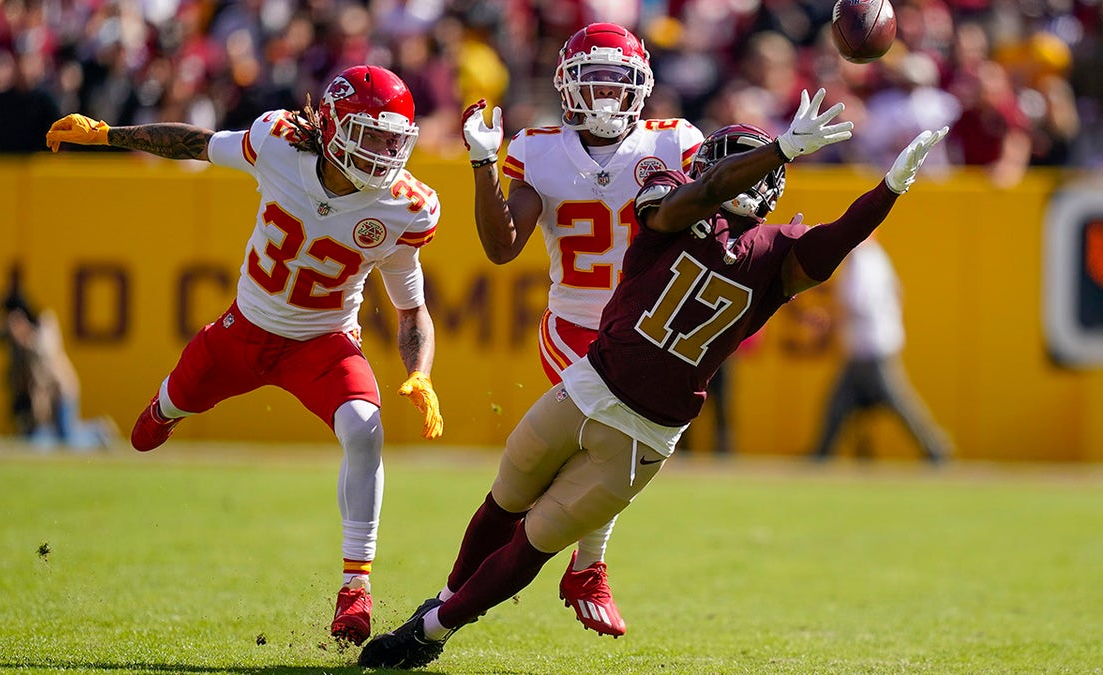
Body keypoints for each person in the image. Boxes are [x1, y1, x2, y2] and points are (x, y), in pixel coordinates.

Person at [358, 90, 948, 669]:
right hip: (588, 386)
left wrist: (889, 190)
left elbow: (842, 233)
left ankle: (430, 631)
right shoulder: (668, 204)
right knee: (503, 502)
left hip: (644, 434)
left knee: (532, 543)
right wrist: (783, 152)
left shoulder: (778, 255)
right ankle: (440, 604)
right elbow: (710, 192)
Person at [45, 65, 446, 647]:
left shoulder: (405, 206)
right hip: (241, 333)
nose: (387, 152)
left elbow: (411, 310)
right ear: (333, 128)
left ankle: (355, 587)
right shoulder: (277, 144)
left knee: (366, 429)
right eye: (372, 134)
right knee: (156, 420)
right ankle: (167, 411)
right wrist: (111, 135)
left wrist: (421, 373)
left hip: (324, 343)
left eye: (395, 139)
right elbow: (196, 144)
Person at [459, 21, 705, 637]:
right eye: (589, 79)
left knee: (609, 456)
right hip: (575, 324)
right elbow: (501, 246)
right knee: (606, 446)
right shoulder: (538, 148)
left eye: (615, 80)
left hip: (648, 325)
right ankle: (587, 568)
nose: (601, 94)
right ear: (566, 85)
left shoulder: (675, 142)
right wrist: (484, 164)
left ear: (640, 86)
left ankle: (567, 566)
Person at [808, 235, 952, 464]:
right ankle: (819, 455)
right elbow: (897, 290)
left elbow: (855, 303)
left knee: (896, 402)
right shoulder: (877, 256)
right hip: (874, 343)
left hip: (870, 348)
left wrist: (829, 324)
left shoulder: (862, 259)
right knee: (839, 404)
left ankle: (935, 448)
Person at [0, 288, 117, 450]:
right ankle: (96, 432)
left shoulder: (45, 325)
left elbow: (44, 355)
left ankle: (98, 432)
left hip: (62, 390)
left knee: (67, 440)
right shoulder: (18, 336)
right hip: (46, 394)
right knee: (45, 438)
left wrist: (24, 337)